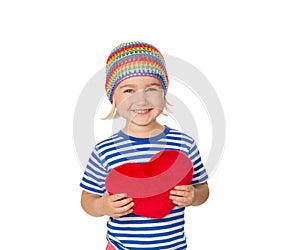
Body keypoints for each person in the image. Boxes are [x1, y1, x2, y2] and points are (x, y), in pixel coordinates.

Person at [80, 41, 209, 250]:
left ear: (164, 93)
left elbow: (203, 188)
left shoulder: (184, 145)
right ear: (113, 97)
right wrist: (102, 206)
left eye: (151, 89)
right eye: (129, 90)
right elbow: (87, 199)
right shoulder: (104, 151)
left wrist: (194, 196)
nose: (141, 99)